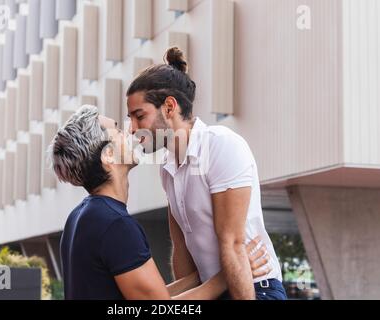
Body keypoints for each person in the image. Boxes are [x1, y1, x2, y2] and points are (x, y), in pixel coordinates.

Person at [49, 105, 271, 300]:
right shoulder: (114, 225)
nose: (129, 131)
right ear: (108, 155)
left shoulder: (81, 217)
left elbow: (148, 295)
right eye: (117, 129)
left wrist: (204, 274)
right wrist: (230, 275)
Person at [126, 47, 287, 300]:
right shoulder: (168, 167)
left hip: (253, 288)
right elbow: (182, 249)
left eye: (139, 116)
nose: (132, 129)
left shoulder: (220, 145)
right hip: (212, 289)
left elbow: (233, 244)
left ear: (169, 107)